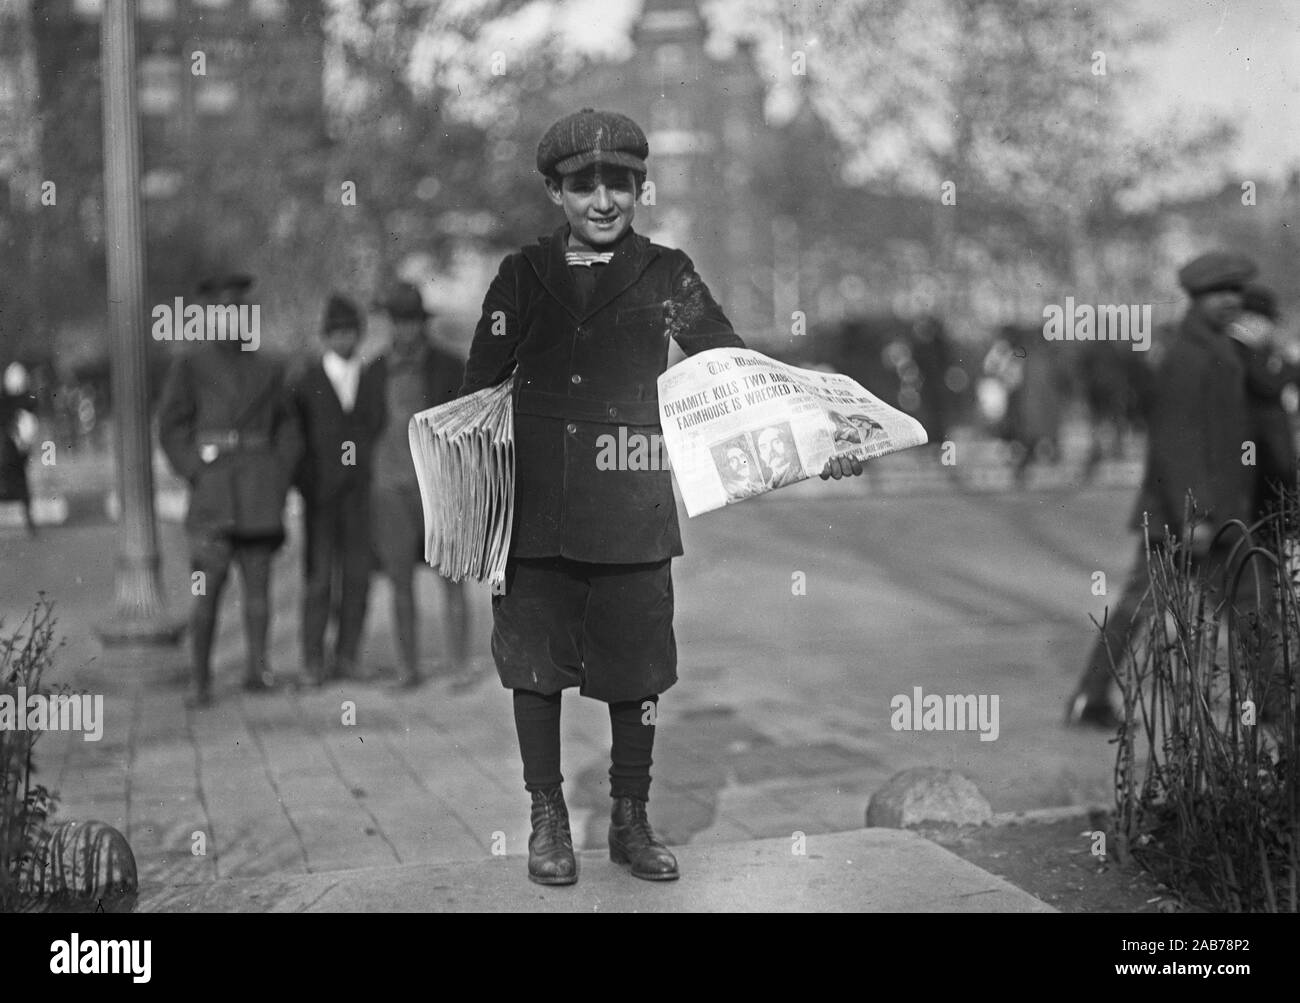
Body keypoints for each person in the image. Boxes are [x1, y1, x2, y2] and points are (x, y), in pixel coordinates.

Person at [457, 108, 862, 887]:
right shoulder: (520, 275)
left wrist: (821, 439)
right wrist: (466, 499)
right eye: (583, 185)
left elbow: (733, 371)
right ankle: (547, 817)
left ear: (642, 187)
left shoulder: (668, 275)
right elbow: (476, 392)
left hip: (633, 508)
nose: (602, 200)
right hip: (533, 512)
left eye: (619, 183)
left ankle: (630, 817)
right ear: (555, 192)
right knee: (533, 669)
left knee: (636, 671)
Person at [1066, 252, 1267, 728]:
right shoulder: (1187, 357)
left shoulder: (1219, 350)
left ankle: (1091, 696)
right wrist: (1193, 515)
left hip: (1214, 514)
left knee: (1238, 608)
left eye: (1236, 294)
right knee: (1158, 607)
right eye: (1219, 295)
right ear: (1196, 300)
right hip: (1192, 519)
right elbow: (1175, 444)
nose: (1230, 303)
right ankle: (1092, 697)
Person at [156, 272, 302, 707]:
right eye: (224, 312)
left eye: (240, 312)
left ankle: (257, 671)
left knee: (259, 594)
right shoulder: (190, 366)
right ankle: (200, 681)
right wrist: (194, 468)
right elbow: (171, 426)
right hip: (214, 496)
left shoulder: (269, 368)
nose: (232, 320)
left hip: (259, 493)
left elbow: (290, 427)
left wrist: (280, 475)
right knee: (206, 596)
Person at [372, 281, 468, 688]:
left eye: (412, 321)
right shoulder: (374, 371)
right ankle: (408, 668)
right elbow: (361, 430)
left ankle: (460, 666)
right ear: (391, 324)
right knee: (399, 582)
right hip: (391, 489)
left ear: (422, 324)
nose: (406, 329)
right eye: (399, 321)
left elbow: (469, 425)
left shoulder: (449, 366)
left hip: (439, 488)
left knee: (452, 577)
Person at [290, 294, 387, 685]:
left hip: (359, 495)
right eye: (337, 333)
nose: (345, 340)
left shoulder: (370, 378)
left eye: (351, 332)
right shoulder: (305, 382)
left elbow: (376, 428)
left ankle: (347, 656)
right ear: (325, 336)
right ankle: (313, 661)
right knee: (319, 579)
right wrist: (306, 483)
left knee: (357, 576)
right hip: (320, 497)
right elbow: (293, 440)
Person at [1, 362, 39, 535]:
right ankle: (30, 523)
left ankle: (30, 523)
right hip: (9, 451)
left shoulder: (26, 401)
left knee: (20, 486)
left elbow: (29, 426)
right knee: (18, 485)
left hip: (15, 451)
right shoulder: (8, 402)